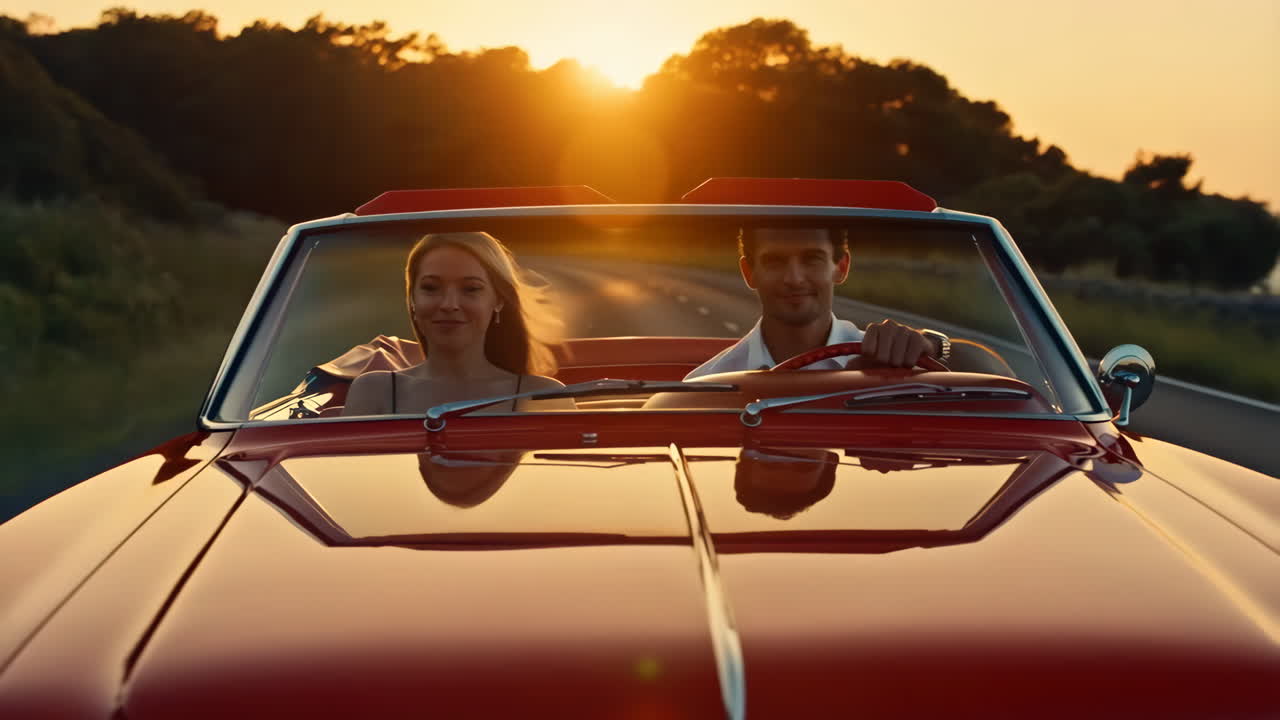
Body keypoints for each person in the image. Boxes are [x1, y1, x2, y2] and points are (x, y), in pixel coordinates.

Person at [343, 232, 569, 416]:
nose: (449, 304)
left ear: (498, 300)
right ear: (412, 299)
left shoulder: (542, 395)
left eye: (471, 289)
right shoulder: (374, 392)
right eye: (431, 288)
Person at [685, 227, 948, 379]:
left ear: (841, 267)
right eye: (775, 261)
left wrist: (930, 345)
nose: (794, 279)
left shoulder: (897, 363)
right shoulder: (706, 384)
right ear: (748, 273)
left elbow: (976, 362)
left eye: (812, 259)